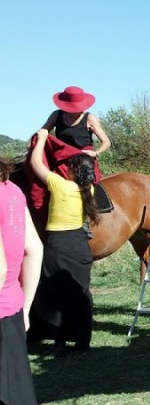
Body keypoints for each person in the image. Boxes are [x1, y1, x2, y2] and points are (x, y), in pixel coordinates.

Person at [0, 157, 49, 405]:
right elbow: (34, 248)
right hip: (12, 310)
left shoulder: (86, 129)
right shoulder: (12, 189)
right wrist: (27, 307)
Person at [26, 130, 97, 353]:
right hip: (79, 245)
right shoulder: (89, 189)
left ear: (73, 171)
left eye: (69, 166)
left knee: (57, 295)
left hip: (58, 245)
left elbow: (36, 163)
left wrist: (44, 137)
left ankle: (60, 340)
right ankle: (83, 341)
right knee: (81, 293)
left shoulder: (60, 185)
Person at [39, 86, 110, 181]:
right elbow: (42, 132)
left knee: (93, 187)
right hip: (62, 158)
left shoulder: (90, 118)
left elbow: (106, 142)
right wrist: (34, 143)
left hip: (84, 159)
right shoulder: (56, 115)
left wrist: (96, 153)